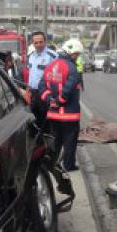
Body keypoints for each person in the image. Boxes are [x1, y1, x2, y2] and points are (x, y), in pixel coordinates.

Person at [38, 39, 83, 172]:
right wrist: (59, 100)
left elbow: (42, 86)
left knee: (56, 141)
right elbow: (68, 89)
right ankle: (68, 166)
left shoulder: (50, 65)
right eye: (77, 54)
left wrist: (49, 100)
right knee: (70, 142)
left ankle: (52, 165)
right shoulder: (72, 68)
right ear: (72, 53)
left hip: (53, 114)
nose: (77, 57)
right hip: (70, 114)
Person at [27, 31, 57, 130]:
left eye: (41, 42)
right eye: (36, 42)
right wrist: (28, 90)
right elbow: (31, 75)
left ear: (45, 41)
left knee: (46, 122)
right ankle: (37, 143)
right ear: (32, 43)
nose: (38, 45)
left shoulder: (52, 56)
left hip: (45, 93)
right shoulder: (31, 56)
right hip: (33, 93)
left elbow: (57, 77)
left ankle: (47, 143)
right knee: (34, 119)